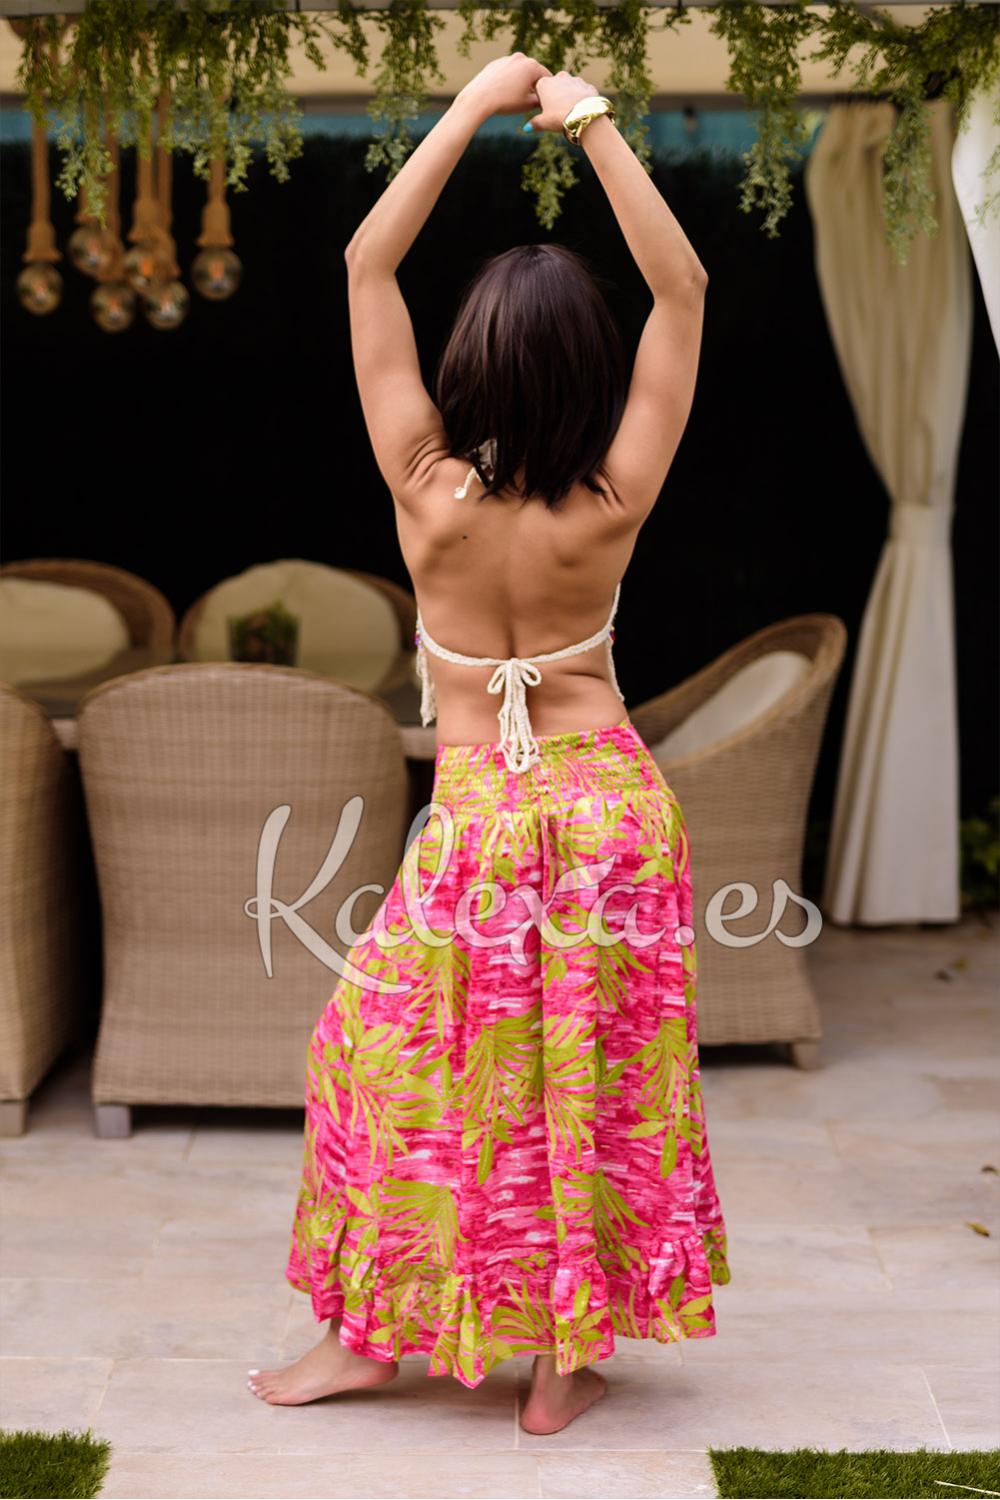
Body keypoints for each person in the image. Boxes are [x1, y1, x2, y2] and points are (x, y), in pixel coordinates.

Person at [248, 52, 730, 1437]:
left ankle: (389, 1340)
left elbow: (365, 264)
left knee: (382, 1062)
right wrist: (588, 122)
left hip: (483, 817)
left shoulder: (425, 487)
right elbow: (685, 290)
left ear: (468, 363)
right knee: (589, 1083)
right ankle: (556, 1360)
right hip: (610, 809)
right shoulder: (613, 495)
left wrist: (468, 106)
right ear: (589, 371)